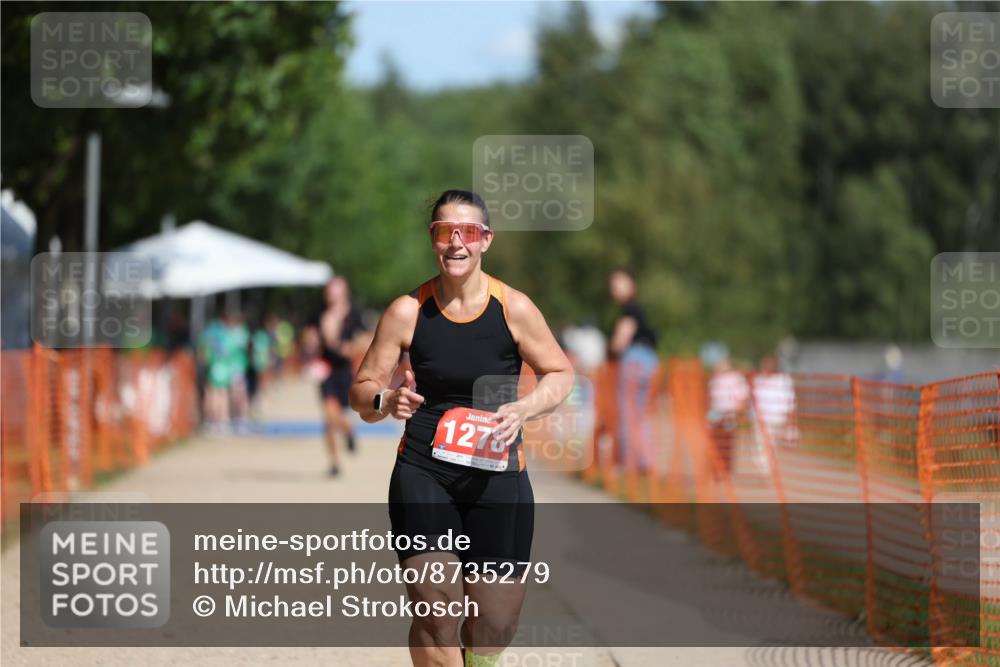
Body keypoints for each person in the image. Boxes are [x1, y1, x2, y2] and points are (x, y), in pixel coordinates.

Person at [349, 189, 573, 667]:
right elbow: (362, 389)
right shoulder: (407, 311)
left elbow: (561, 373)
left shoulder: (513, 308)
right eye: (443, 232)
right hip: (423, 470)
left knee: (493, 623)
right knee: (435, 606)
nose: (456, 243)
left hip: (498, 473)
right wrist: (385, 400)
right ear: (432, 240)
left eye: (467, 232)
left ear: (485, 240)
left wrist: (527, 407)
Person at [314, 276, 367, 476]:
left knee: (337, 416)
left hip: (344, 371)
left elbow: (366, 338)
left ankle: (348, 429)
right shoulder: (321, 313)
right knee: (328, 417)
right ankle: (335, 463)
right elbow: (311, 337)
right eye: (328, 290)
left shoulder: (354, 314)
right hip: (326, 370)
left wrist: (351, 348)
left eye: (334, 290)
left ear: (344, 291)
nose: (330, 294)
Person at [608, 268, 659, 474]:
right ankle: (646, 461)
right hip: (648, 360)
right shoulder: (638, 309)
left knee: (628, 412)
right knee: (640, 413)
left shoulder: (630, 310)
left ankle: (629, 463)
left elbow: (622, 339)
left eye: (620, 283)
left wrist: (610, 351)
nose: (616, 289)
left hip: (634, 361)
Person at [707, 355, 750, 477]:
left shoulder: (736, 378)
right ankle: (716, 468)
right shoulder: (715, 379)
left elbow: (742, 397)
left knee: (727, 444)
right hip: (715, 415)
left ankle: (725, 470)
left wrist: (739, 412)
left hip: (729, 414)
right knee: (716, 442)